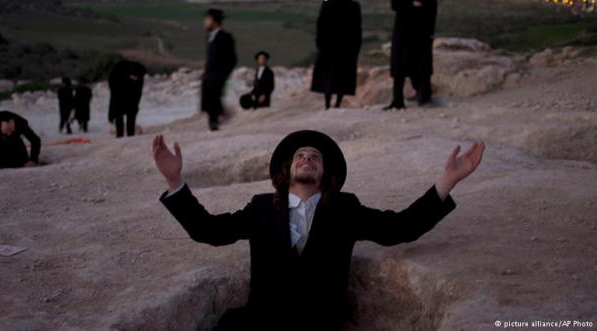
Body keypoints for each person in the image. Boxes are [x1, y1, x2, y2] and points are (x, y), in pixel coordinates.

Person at [152, 130, 485, 330]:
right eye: (300, 155)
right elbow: (208, 230)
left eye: (315, 156)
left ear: (327, 175)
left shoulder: (345, 209)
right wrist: (173, 180)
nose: (307, 158)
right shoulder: (260, 207)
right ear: (287, 170)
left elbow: (401, 227)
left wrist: (448, 180)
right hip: (257, 324)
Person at [384, 0, 438, 110]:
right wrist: (413, 4)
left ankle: (424, 96)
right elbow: (395, 4)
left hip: (421, 30)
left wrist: (430, 30)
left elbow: (430, 6)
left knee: (421, 64)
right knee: (399, 64)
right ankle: (397, 100)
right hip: (402, 29)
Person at [311, 0, 362, 110]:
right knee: (343, 77)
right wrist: (356, 48)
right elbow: (357, 30)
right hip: (346, 49)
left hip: (328, 47)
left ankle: (327, 104)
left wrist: (320, 43)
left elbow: (320, 25)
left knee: (328, 75)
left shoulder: (328, 4)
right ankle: (338, 104)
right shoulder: (354, 6)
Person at [201, 8, 237, 130]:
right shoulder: (210, 37)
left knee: (214, 103)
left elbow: (232, 59)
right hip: (209, 76)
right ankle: (215, 123)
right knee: (209, 103)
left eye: (207, 19)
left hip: (218, 77)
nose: (205, 22)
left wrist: (222, 76)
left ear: (214, 21)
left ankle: (216, 125)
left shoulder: (225, 37)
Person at [108, 59, 147, 138]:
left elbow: (138, 94)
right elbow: (114, 93)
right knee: (118, 114)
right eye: (134, 77)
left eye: (137, 77)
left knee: (131, 115)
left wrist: (135, 106)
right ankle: (119, 136)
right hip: (118, 94)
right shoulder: (117, 73)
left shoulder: (140, 77)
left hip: (130, 97)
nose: (136, 78)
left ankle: (130, 135)